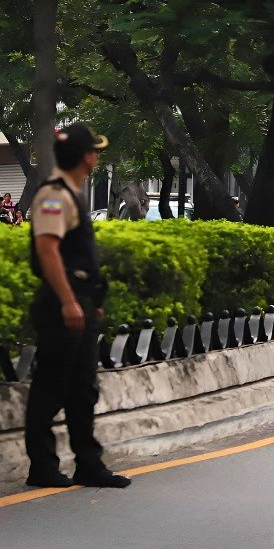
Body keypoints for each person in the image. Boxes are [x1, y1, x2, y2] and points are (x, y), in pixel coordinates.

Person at [25, 123, 130, 489]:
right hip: (61, 304)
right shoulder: (53, 195)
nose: (97, 157)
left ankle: (89, 464)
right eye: (95, 152)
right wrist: (70, 301)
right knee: (51, 386)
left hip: (79, 302)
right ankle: (42, 467)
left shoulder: (70, 194)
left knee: (82, 388)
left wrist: (89, 303)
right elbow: (47, 250)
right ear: (86, 156)